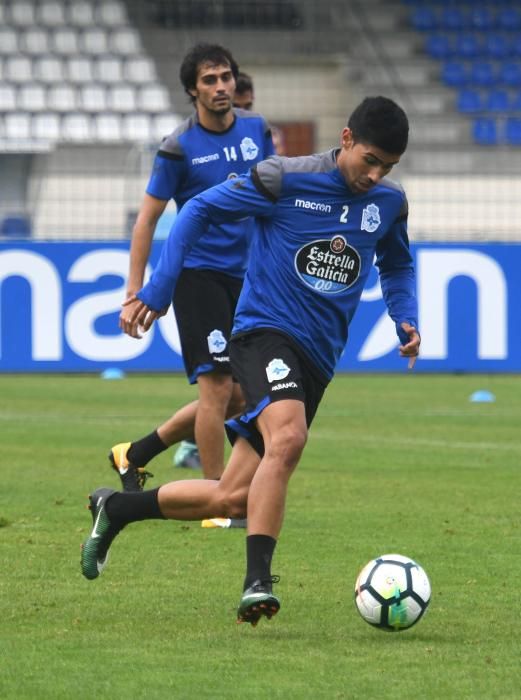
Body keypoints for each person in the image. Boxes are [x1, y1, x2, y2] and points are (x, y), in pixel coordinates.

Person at [81, 96, 420, 627]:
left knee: (233, 498)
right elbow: (198, 209)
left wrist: (405, 316)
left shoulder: (389, 203)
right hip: (263, 332)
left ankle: (117, 508)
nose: (374, 175)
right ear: (347, 139)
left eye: (388, 168)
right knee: (288, 438)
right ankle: (257, 582)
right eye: (370, 160)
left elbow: (397, 264)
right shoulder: (283, 178)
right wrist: (162, 285)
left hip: (317, 359)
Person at [111, 44, 275, 500]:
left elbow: (272, 195)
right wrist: (135, 287)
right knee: (218, 388)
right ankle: (215, 497)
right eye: (209, 80)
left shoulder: (257, 130)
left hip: (249, 276)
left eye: (225, 77)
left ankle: (135, 452)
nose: (220, 86)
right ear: (192, 90)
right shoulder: (178, 148)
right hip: (197, 275)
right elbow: (146, 219)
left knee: (241, 397)